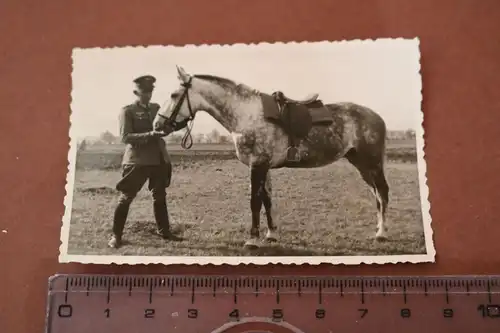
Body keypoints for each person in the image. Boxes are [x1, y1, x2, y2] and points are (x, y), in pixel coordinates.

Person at [108, 75, 180, 249]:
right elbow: (126, 137)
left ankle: (164, 231)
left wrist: (171, 128)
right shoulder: (127, 111)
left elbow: (164, 128)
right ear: (136, 92)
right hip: (137, 162)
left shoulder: (157, 108)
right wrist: (150, 135)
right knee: (126, 198)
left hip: (158, 160)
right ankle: (116, 236)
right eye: (144, 92)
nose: (148, 95)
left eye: (150, 91)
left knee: (160, 197)